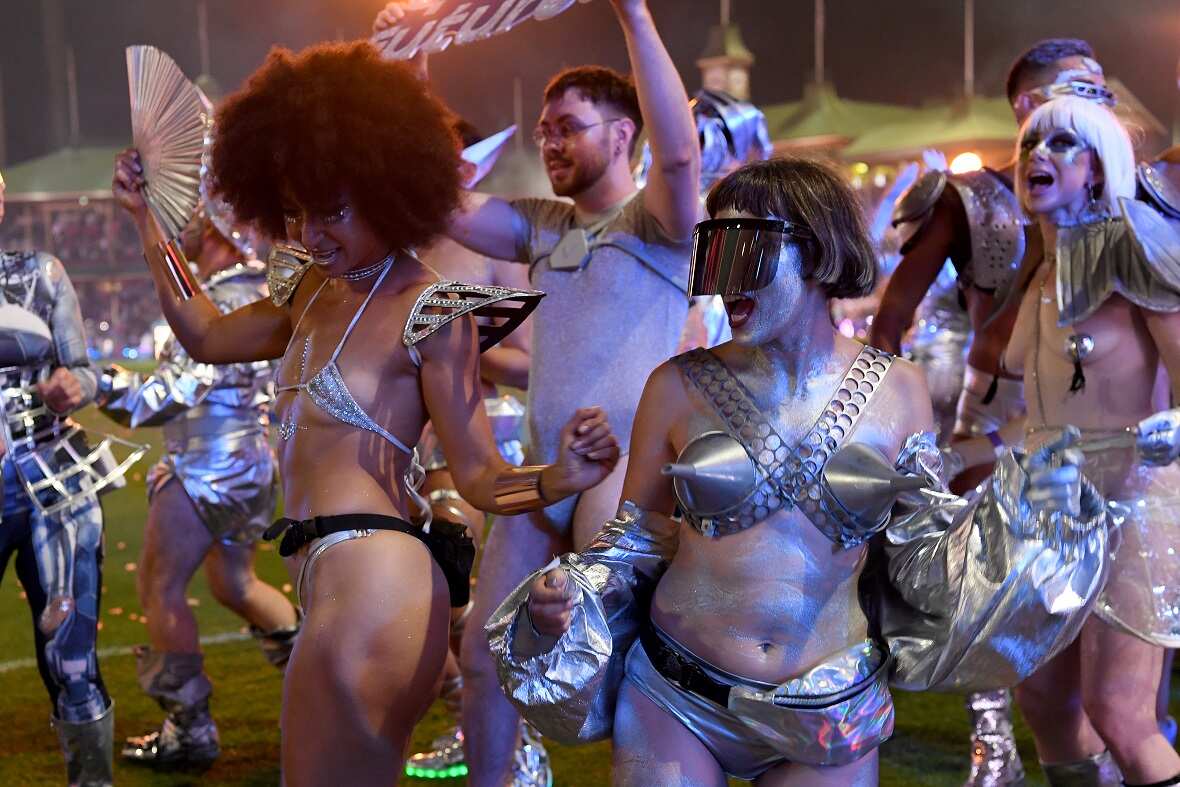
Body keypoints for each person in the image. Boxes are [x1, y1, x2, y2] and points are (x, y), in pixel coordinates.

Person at [487, 157, 1108, 787]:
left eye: (745, 253)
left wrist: (1024, 518)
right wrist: (564, 603)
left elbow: (921, 553)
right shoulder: (676, 385)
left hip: (830, 707)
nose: (725, 283)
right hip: (676, 694)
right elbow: (635, 539)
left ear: (815, 253)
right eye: (714, 252)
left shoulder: (900, 390)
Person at [111, 40, 619, 785]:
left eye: (335, 212)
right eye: (297, 214)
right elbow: (205, 333)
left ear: (390, 190)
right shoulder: (311, 292)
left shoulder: (434, 310)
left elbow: (478, 474)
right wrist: (145, 222)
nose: (314, 235)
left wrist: (560, 477)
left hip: (380, 576)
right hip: (325, 572)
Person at [376, 1, 701, 782]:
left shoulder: (659, 221)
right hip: (540, 473)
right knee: (487, 659)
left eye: (569, 125)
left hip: (624, 479)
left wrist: (633, 15)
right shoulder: (541, 227)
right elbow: (434, 200)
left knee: (627, 669)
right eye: (545, 128)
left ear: (622, 136)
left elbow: (683, 158)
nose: (549, 140)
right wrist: (412, 69)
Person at [869, 38, 1115, 785]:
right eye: (1078, 90)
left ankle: (1126, 733)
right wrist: (880, 405)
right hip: (999, 413)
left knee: (1106, 598)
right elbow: (893, 313)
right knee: (998, 581)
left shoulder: (1124, 198)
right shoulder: (975, 197)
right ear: (1025, 108)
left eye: (1103, 91)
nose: (1097, 104)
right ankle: (991, 740)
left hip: (1108, 426)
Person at [1003, 95, 1180, 787]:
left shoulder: (1137, 249)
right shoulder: (1043, 270)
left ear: (1100, 169)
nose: (1037, 156)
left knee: (1120, 709)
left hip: (1132, 492)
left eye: (1063, 144)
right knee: (1044, 698)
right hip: (1048, 487)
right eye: (1029, 143)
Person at [96, 211, 299, 769]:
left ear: (213, 230)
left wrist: (97, 383)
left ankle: (190, 730)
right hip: (254, 464)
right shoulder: (264, 286)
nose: (181, 226)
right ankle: (314, 695)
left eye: (190, 218)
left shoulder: (217, 297)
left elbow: (169, 392)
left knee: (159, 589)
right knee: (236, 582)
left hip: (203, 467)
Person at [406, 120, 536, 780]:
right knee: (444, 596)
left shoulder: (498, 247)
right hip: (425, 445)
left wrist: (462, 343)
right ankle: (479, 723)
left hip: (495, 438)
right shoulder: (402, 245)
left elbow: (535, 360)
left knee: (471, 593)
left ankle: (519, 749)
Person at [0, 166, 128, 786]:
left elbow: (86, 369)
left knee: (71, 660)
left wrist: (75, 385)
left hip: (54, 483)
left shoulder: (38, 273)